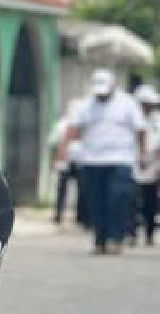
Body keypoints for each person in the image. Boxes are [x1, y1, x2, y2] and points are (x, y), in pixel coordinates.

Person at [57, 69, 148, 255]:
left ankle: (115, 238)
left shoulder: (127, 104)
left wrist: (142, 154)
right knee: (96, 202)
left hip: (120, 160)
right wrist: (63, 152)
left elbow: (140, 130)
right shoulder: (85, 105)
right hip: (92, 161)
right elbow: (73, 128)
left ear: (114, 87)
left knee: (118, 201)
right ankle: (100, 238)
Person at [130, 84, 160, 246]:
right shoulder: (131, 117)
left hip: (152, 166)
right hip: (131, 163)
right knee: (131, 201)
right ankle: (131, 232)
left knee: (150, 202)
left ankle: (149, 233)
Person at [49, 100, 85, 226]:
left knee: (83, 190)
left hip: (81, 161)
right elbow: (54, 144)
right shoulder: (61, 125)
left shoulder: (84, 125)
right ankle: (58, 215)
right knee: (62, 190)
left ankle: (81, 217)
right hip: (64, 162)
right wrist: (54, 160)